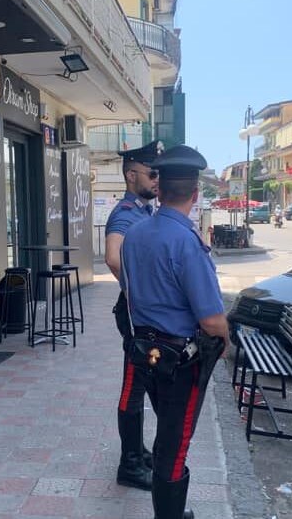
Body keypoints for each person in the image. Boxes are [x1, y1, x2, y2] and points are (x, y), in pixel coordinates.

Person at [120, 145, 229, 519]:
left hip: (145, 353)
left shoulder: (134, 234)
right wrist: (226, 340)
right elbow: (212, 320)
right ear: (195, 195)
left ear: (161, 189)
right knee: (175, 445)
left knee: (167, 433)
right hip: (181, 363)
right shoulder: (187, 242)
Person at [104, 140, 163, 491]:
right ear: (131, 174)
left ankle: (135, 450)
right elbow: (113, 257)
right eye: (152, 173)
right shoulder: (126, 211)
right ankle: (129, 465)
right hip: (135, 316)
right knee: (132, 388)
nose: (157, 179)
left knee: (138, 386)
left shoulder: (142, 210)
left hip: (140, 315)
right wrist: (139, 292)